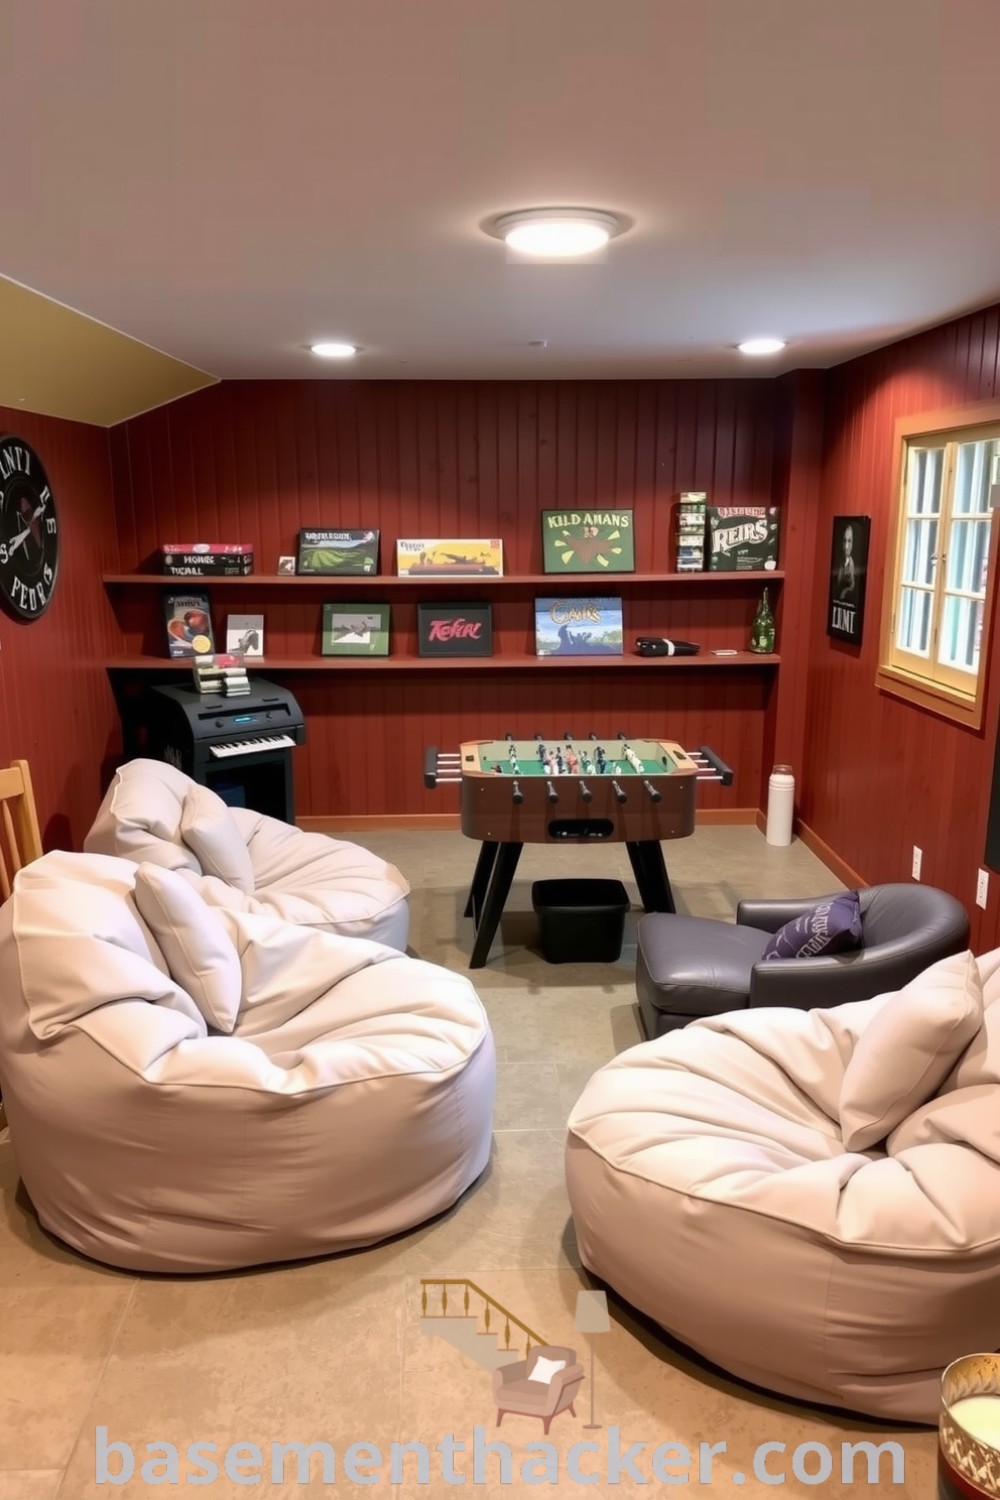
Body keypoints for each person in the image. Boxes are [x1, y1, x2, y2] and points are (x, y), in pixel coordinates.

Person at [834, 522, 858, 602]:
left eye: (849, 541)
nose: (846, 546)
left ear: (853, 543)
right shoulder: (838, 561)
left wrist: (844, 592)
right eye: (844, 541)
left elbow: (852, 586)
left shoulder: (851, 563)